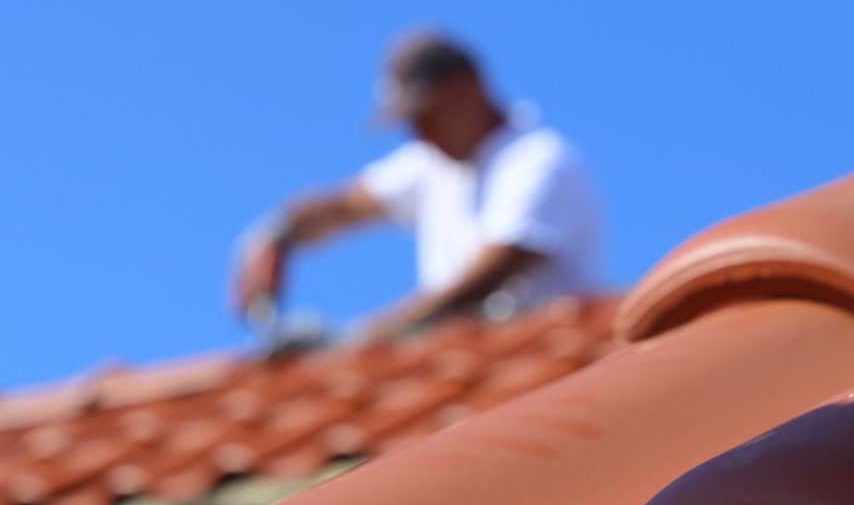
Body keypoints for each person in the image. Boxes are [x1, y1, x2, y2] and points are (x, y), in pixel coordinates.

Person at [231, 31, 604, 341]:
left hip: (543, 354)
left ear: (469, 86)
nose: (420, 132)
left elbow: (482, 283)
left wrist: (358, 336)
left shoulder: (539, 161)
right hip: (465, 357)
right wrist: (276, 234)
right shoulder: (431, 164)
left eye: (427, 113)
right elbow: (346, 206)